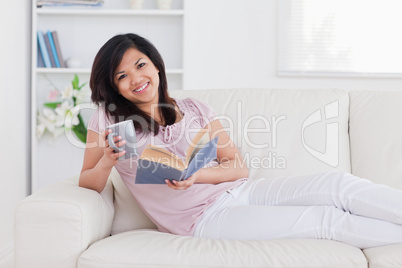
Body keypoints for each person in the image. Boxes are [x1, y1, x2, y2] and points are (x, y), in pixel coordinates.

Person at [79, 33, 402, 249]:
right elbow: (88, 183)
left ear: (156, 66)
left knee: (338, 184)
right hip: (203, 219)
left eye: (140, 65)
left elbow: (237, 168)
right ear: (114, 85)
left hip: (240, 192)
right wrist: (108, 159)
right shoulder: (108, 119)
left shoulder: (194, 109)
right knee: (324, 220)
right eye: (122, 75)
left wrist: (196, 175)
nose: (136, 79)